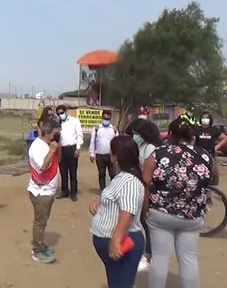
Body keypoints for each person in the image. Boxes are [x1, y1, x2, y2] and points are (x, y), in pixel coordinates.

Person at [143, 117, 219, 288]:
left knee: (160, 257)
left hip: (161, 213)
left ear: (169, 135)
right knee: (189, 259)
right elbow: (214, 180)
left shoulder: (158, 154)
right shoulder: (205, 156)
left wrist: (145, 208)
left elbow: (146, 183)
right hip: (192, 214)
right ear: (192, 136)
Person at [90, 135, 145, 288]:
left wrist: (115, 240)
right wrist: (99, 203)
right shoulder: (121, 176)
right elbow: (116, 199)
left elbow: (127, 212)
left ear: (116, 156)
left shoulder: (129, 181)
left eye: (111, 153)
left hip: (122, 240)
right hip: (111, 239)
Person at [126, 119, 161, 272]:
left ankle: (148, 256)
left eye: (136, 134)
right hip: (139, 187)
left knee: (146, 225)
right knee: (139, 223)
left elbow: (147, 173)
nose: (134, 136)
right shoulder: (139, 146)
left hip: (147, 188)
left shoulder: (150, 148)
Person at [27, 120, 61, 263]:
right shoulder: (38, 147)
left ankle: (40, 245)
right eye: (56, 133)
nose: (58, 136)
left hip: (47, 190)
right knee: (40, 222)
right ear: (48, 133)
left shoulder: (46, 144)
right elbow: (42, 166)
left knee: (43, 220)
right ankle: (37, 250)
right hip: (41, 192)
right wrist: (52, 150)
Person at [56, 105, 83, 201]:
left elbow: (79, 135)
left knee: (73, 172)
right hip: (61, 150)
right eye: (58, 114)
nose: (60, 115)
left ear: (66, 111)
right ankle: (64, 191)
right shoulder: (57, 123)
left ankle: (73, 193)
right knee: (63, 172)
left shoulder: (74, 121)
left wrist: (78, 148)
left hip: (72, 148)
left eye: (62, 113)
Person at [89, 110, 118, 192]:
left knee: (113, 174)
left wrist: (117, 155)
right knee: (102, 174)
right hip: (100, 155)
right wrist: (92, 153)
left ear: (110, 119)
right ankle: (103, 190)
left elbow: (117, 142)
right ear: (102, 118)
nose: (106, 120)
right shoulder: (96, 129)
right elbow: (92, 141)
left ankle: (114, 190)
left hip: (111, 155)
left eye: (108, 119)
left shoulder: (114, 129)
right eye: (105, 118)